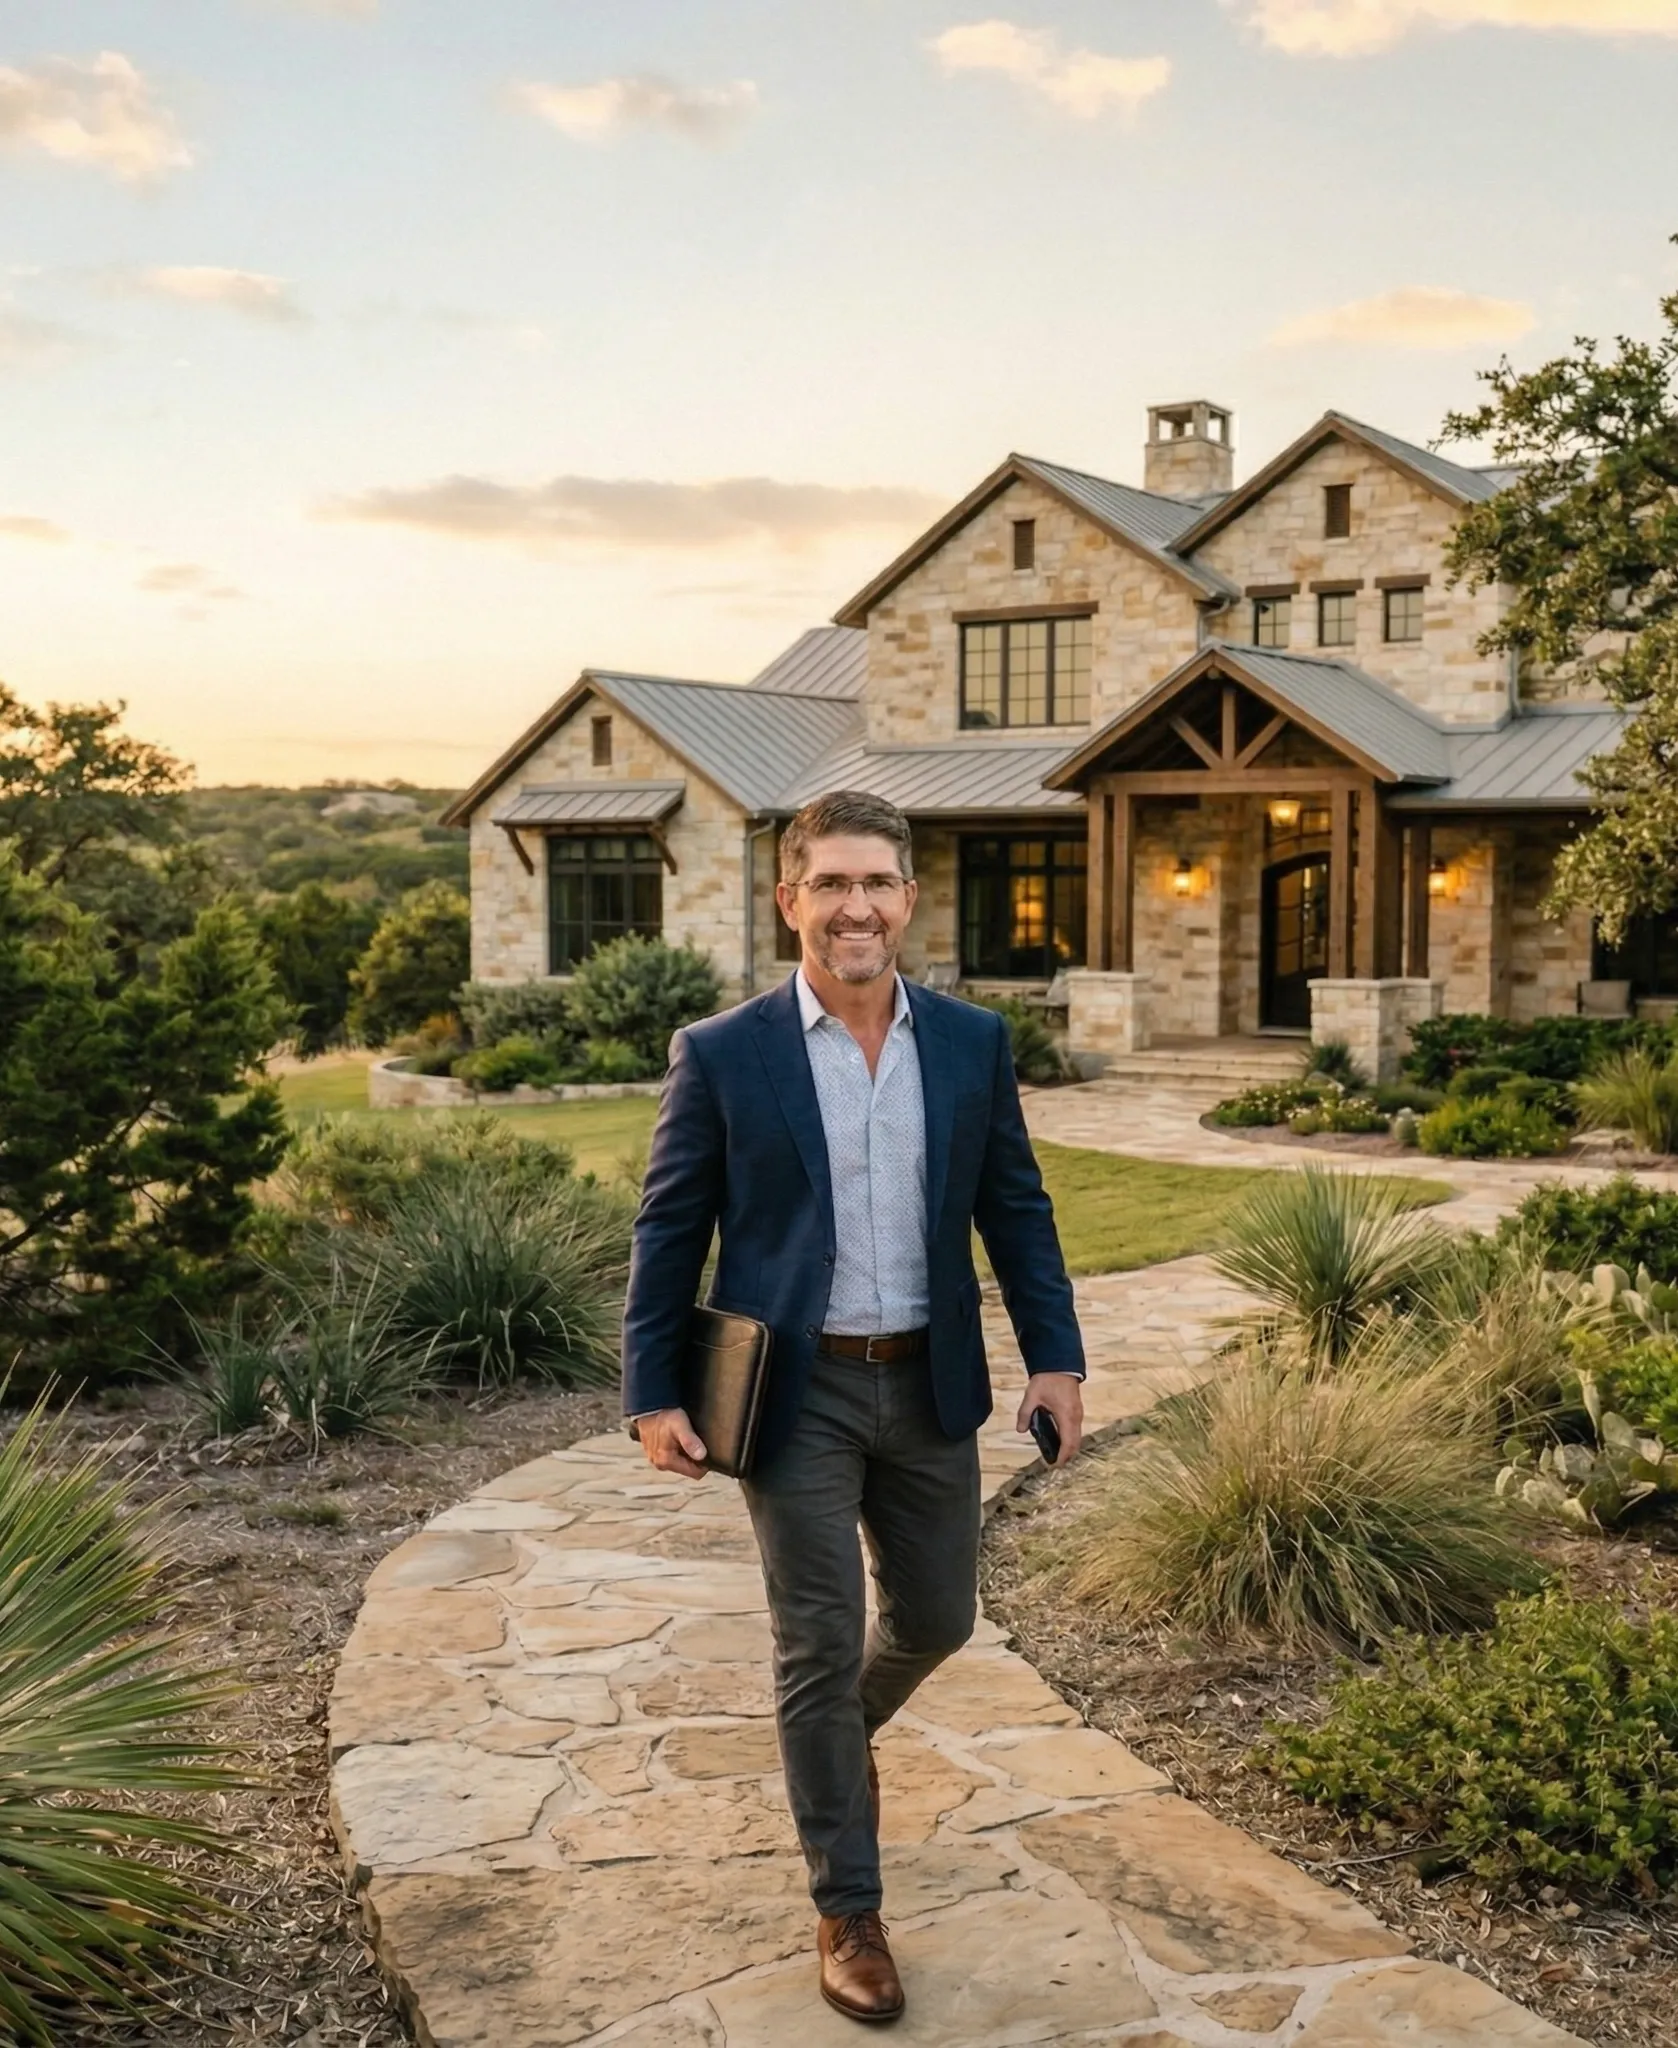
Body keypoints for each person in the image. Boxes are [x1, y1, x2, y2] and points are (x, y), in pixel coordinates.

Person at [622, 788, 1085, 2026]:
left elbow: (1017, 1208)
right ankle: (849, 1904)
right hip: (798, 1389)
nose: (855, 906)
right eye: (829, 883)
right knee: (815, 1640)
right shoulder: (725, 1051)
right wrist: (650, 1387)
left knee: (938, 1615)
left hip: (928, 1377)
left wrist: (1056, 1357)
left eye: (875, 882)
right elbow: (669, 1226)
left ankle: (831, 1739)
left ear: (909, 899)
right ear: (790, 901)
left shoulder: (972, 1043)